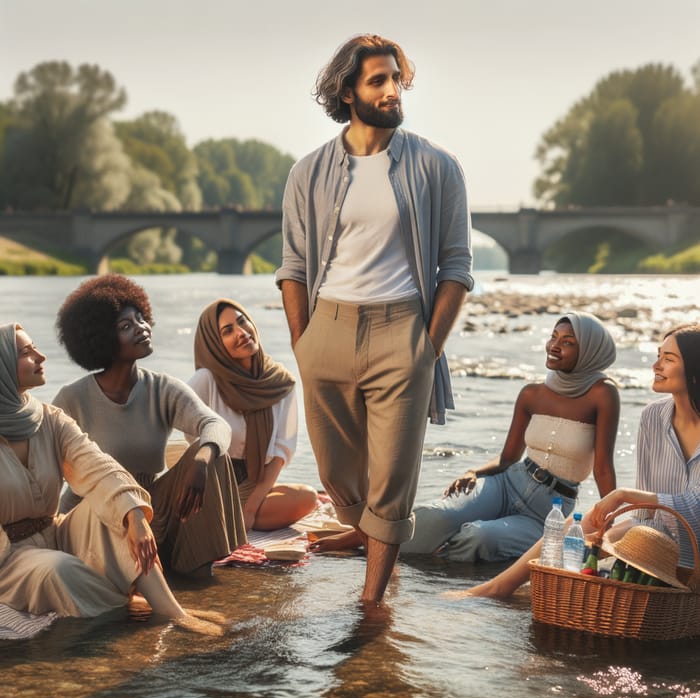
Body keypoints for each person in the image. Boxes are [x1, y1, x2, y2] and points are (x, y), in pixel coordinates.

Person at [276, 34, 473, 602]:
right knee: (338, 474)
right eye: (377, 81)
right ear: (347, 92)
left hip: (402, 332)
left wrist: (427, 349)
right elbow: (292, 265)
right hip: (326, 331)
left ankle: (370, 605)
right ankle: (364, 529)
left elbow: (456, 267)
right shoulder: (307, 173)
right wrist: (303, 344)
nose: (392, 90)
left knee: (392, 480)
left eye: (396, 79)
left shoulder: (437, 166)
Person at [312, 312, 619, 561]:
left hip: (548, 510)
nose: (554, 345)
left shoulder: (603, 395)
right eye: (553, 337)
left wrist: (609, 521)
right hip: (508, 483)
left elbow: (602, 467)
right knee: (438, 515)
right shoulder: (532, 394)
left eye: (567, 342)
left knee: (477, 536)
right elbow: (508, 457)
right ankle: (361, 539)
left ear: (589, 351)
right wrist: (474, 471)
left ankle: (394, 552)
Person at [0, 322, 225, 634]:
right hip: (9, 558)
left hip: (56, 532)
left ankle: (171, 611)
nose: (41, 357)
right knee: (58, 569)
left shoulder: (49, 419)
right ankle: (137, 605)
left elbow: (98, 465)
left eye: (37, 348)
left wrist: (134, 516)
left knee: (115, 512)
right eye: (27, 353)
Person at [458, 322, 700, 599]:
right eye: (658, 355)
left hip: (696, 552)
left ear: (695, 371)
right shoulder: (653, 416)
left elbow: (696, 505)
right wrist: (613, 540)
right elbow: (644, 513)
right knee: (586, 524)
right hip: (657, 540)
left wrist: (622, 495)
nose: (656, 366)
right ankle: (498, 587)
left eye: (668, 359)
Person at [54, 275, 246, 577]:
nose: (142, 328)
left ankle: (196, 572)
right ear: (101, 338)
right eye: (126, 326)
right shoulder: (72, 397)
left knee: (209, 450)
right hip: (95, 518)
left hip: (150, 512)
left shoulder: (162, 387)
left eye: (141, 318)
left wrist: (201, 460)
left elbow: (215, 424)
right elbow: (44, 466)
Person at [188, 298, 318, 531]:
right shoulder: (206, 380)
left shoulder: (280, 383)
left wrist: (250, 508)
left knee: (307, 498)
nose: (241, 332)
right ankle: (222, 520)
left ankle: (229, 521)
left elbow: (280, 452)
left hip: (256, 483)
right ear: (215, 343)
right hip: (213, 484)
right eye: (228, 331)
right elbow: (188, 434)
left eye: (242, 322)